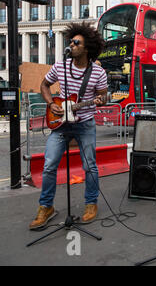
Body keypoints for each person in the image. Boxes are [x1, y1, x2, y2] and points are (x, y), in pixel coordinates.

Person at [29, 22, 107, 230]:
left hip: (85, 123)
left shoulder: (98, 72)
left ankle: (91, 203)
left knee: (89, 166)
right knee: (49, 166)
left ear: (87, 48)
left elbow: (103, 97)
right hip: (60, 123)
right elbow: (44, 85)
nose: (71, 45)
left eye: (76, 43)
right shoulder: (60, 66)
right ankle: (46, 207)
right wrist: (50, 104)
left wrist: (102, 100)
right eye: (71, 42)